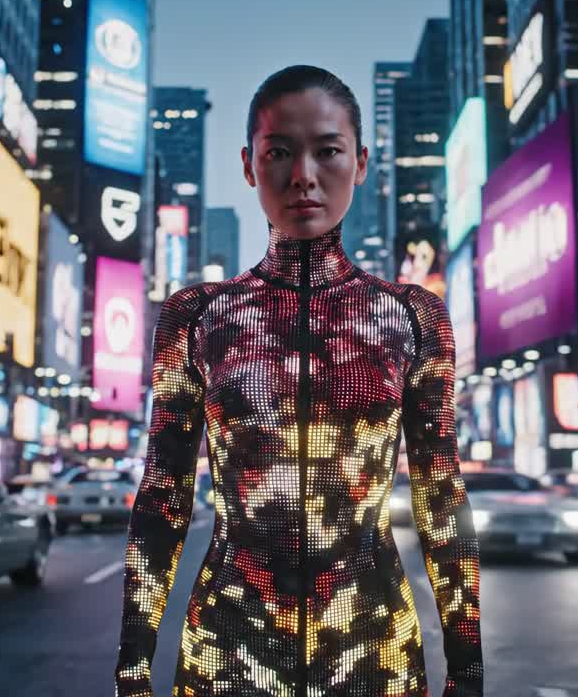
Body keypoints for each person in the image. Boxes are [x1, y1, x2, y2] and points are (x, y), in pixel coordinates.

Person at [114, 66, 483, 696]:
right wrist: (131, 672)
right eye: (279, 152)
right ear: (250, 164)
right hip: (226, 658)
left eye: (327, 151)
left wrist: (468, 673)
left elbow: (440, 500)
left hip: (376, 659)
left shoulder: (414, 317)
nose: (303, 175)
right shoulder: (197, 315)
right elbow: (162, 501)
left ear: (361, 163)